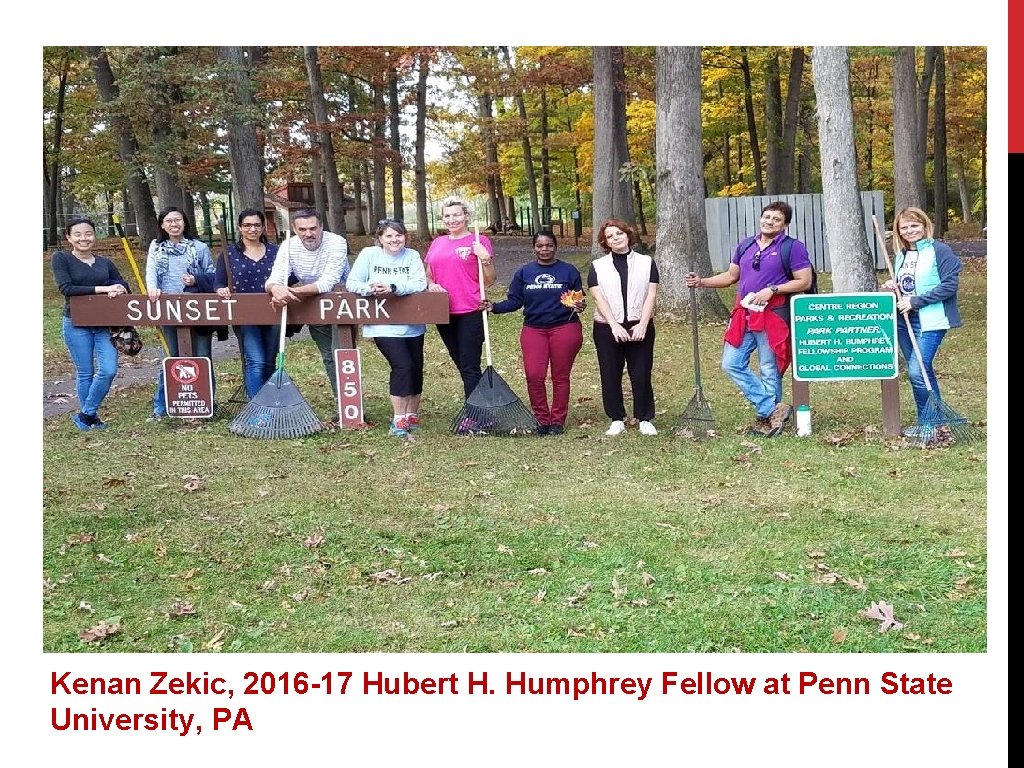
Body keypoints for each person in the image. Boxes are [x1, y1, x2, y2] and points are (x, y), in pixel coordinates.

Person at [686, 200, 812, 437]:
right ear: (761, 218)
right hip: (744, 315)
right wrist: (702, 282)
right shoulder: (745, 245)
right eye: (767, 217)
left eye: (776, 219)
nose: (770, 222)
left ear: (785, 224)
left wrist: (772, 289)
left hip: (773, 315)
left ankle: (768, 421)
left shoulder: (792, 247)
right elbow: (731, 276)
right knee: (730, 363)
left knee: (768, 368)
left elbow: (803, 281)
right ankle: (771, 407)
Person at [486, 230, 585, 435]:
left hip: (564, 328)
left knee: (560, 376)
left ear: (555, 247)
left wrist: (579, 306)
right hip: (534, 330)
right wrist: (494, 307)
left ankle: (557, 420)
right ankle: (541, 418)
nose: (544, 249)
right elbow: (515, 301)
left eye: (549, 245)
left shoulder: (569, 271)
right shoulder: (524, 273)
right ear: (534, 248)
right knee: (534, 375)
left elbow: (578, 299)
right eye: (540, 246)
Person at [880, 206, 962, 436]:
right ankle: (931, 422)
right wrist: (892, 285)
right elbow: (906, 283)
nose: (909, 231)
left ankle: (931, 424)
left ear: (925, 226)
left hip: (931, 320)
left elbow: (949, 286)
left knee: (917, 371)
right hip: (904, 320)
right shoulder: (902, 254)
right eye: (903, 227)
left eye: (914, 225)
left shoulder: (940, 251)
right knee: (922, 370)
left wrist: (915, 301)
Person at [346, 219, 428, 437]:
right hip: (382, 325)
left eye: (399, 235)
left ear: (405, 237)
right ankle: (398, 419)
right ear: (380, 238)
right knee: (402, 365)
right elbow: (352, 282)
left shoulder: (412, 256)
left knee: (415, 368)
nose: (394, 240)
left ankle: (412, 414)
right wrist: (370, 288)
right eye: (389, 236)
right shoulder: (369, 255)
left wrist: (394, 287)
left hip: (412, 325)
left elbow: (419, 283)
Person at [51, 216, 130, 430]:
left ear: (94, 236)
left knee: (108, 369)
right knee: (85, 372)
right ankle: (91, 419)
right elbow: (67, 289)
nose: (83, 238)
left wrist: (119, 288)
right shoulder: (62, 259)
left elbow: (122, 282)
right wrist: (103, 289)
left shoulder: (105, 263)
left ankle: (86, 413)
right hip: (76, 323)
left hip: (104, 325)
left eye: (88, 233)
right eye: (77, 234)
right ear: (69, 237)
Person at [265, 207, 350, 397]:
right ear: (295, 230)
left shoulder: (337, 242)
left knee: (343, 354)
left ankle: (350, 405)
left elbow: (328, 282)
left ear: (321, 227)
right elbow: (275, 278)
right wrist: (276, 290)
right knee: (329, 355)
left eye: (313, 228)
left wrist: (292, 292)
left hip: (342, 302)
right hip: (313, 304)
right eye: (302, 230)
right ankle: (341, 401)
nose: (308, 234)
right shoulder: (288, 246)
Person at [587, 219, 659, 436]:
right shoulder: (597, 266)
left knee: (641, 372)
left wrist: (643, 324)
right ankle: (616, 417)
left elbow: (651, 294)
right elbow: (598, 298)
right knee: (610, 373)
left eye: (619, 233)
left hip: (640, 325)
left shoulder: (647, 262)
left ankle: (644, 417)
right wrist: (614, 325)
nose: (615, 238)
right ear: (605, 242)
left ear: (628, 235)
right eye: (610, 236)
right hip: (607, 327)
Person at [145, 206, 217, 421]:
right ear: (162, 225)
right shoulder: (156, 248)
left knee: (203, 356)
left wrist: (196, 279)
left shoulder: (199, 247)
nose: (174, 224)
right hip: (168, 308)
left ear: (185, 222)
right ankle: (161, 406)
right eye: (169, 221)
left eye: (178, 220)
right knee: (172, 357)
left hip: (197, 308)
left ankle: (207, 403)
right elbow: (151, 271)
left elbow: (213, 275)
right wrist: (152, 288)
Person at [424, 198, 496, 399]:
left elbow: (489, 279)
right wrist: (431, 284)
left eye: (456, 214)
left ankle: (475, 416)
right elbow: (429, 274)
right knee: (460, 363)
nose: (452, 219)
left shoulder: (478, 241)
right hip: (444, 311)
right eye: (447, 216)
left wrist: (484, 258)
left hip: (471, 311)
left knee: (469, 365)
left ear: (466, 216)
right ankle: (481, 404)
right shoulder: (438, 243)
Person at [214, 209, 280, 398]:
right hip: (244, 315)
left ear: (263, 227)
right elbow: (219, 282)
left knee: (269, 361)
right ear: (240, 228)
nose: (252, 229)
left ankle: (270, 404)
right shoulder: (229, 254)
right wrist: (221, 289)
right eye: (247, 225)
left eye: (257, 225)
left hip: (272, 312)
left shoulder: (276, 252)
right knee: (256, 361)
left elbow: (289, 278)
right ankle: (257, 411)